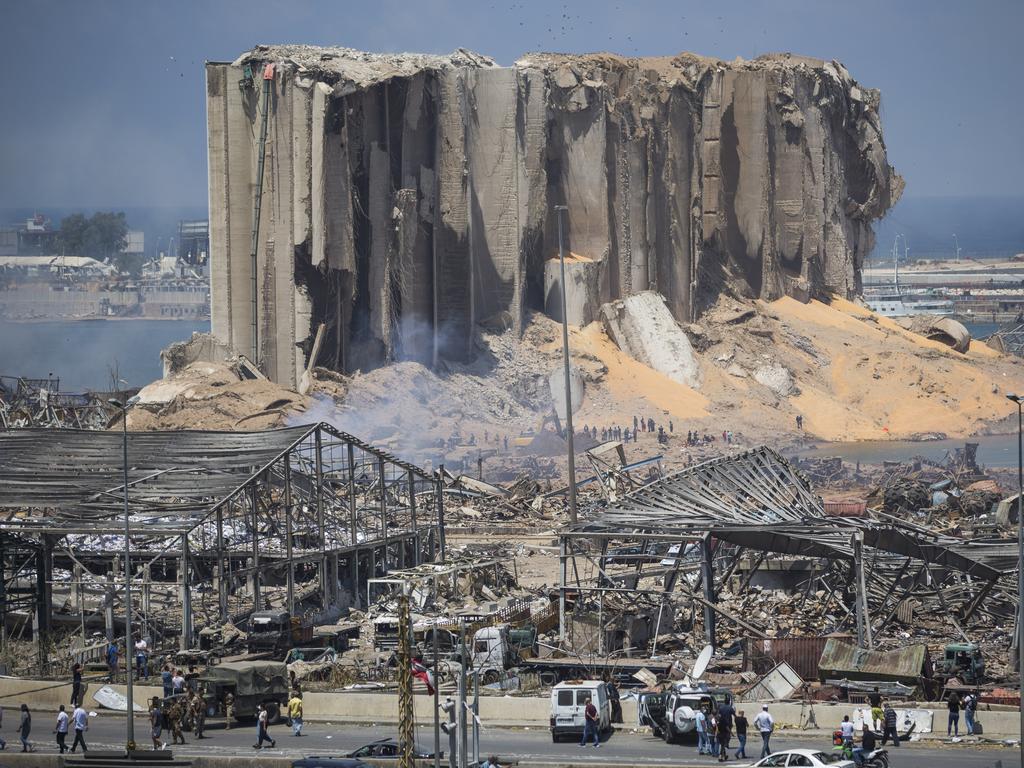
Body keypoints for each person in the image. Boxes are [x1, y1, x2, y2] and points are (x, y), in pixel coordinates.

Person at [717, 697, 735, 762]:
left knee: (722, 744)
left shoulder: (721, 708)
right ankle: (721, 755)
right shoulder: (730, 708)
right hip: (727, 726)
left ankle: (724, 755)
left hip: (720, 732)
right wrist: (731, 733)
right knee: (723, 743)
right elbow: (734, 714)